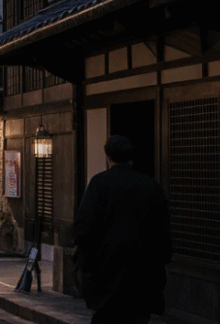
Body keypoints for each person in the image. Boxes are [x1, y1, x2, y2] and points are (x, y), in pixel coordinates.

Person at [73, 135, 171, 324]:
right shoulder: (150, 186)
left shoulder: (99, 184)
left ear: (108, 158)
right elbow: (163, 231)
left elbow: (83, 230)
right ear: (131, 158)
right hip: (142, 273)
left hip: (105, 272)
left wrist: (86, 261)